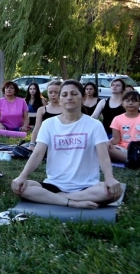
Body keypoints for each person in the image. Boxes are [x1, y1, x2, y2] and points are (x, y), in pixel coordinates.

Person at [11, 80, 122, 208]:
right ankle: (71, 202)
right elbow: (37, 154)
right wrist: (22, 176)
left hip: (87, 186)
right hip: (54, 184)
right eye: (64, 95)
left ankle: (56, 198)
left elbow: (103, 156)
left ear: (83, 98)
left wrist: (109, 177)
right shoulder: (49, 124)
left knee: (112, 192)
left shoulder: (94, 125)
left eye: (74, 94)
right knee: (22, 187)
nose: (69, 97)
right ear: (59, 99)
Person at [108, 90, 140, 163]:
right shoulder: (117, 119)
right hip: (123, 150)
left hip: (138, 149)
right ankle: (131, 161)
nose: (130, 103)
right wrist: (106, 143)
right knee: (107, 148)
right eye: (127, 101)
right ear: (122, 103)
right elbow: (116, 139)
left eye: (134, 101)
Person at [30, 80, 63, 146]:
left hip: (62, 139)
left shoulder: (66, 108)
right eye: (50, 92)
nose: (53, 95)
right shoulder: (42, 110)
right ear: (47, 93)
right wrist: (32, 143)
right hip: (46, 140)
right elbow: (37, 127)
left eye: (56, 92)